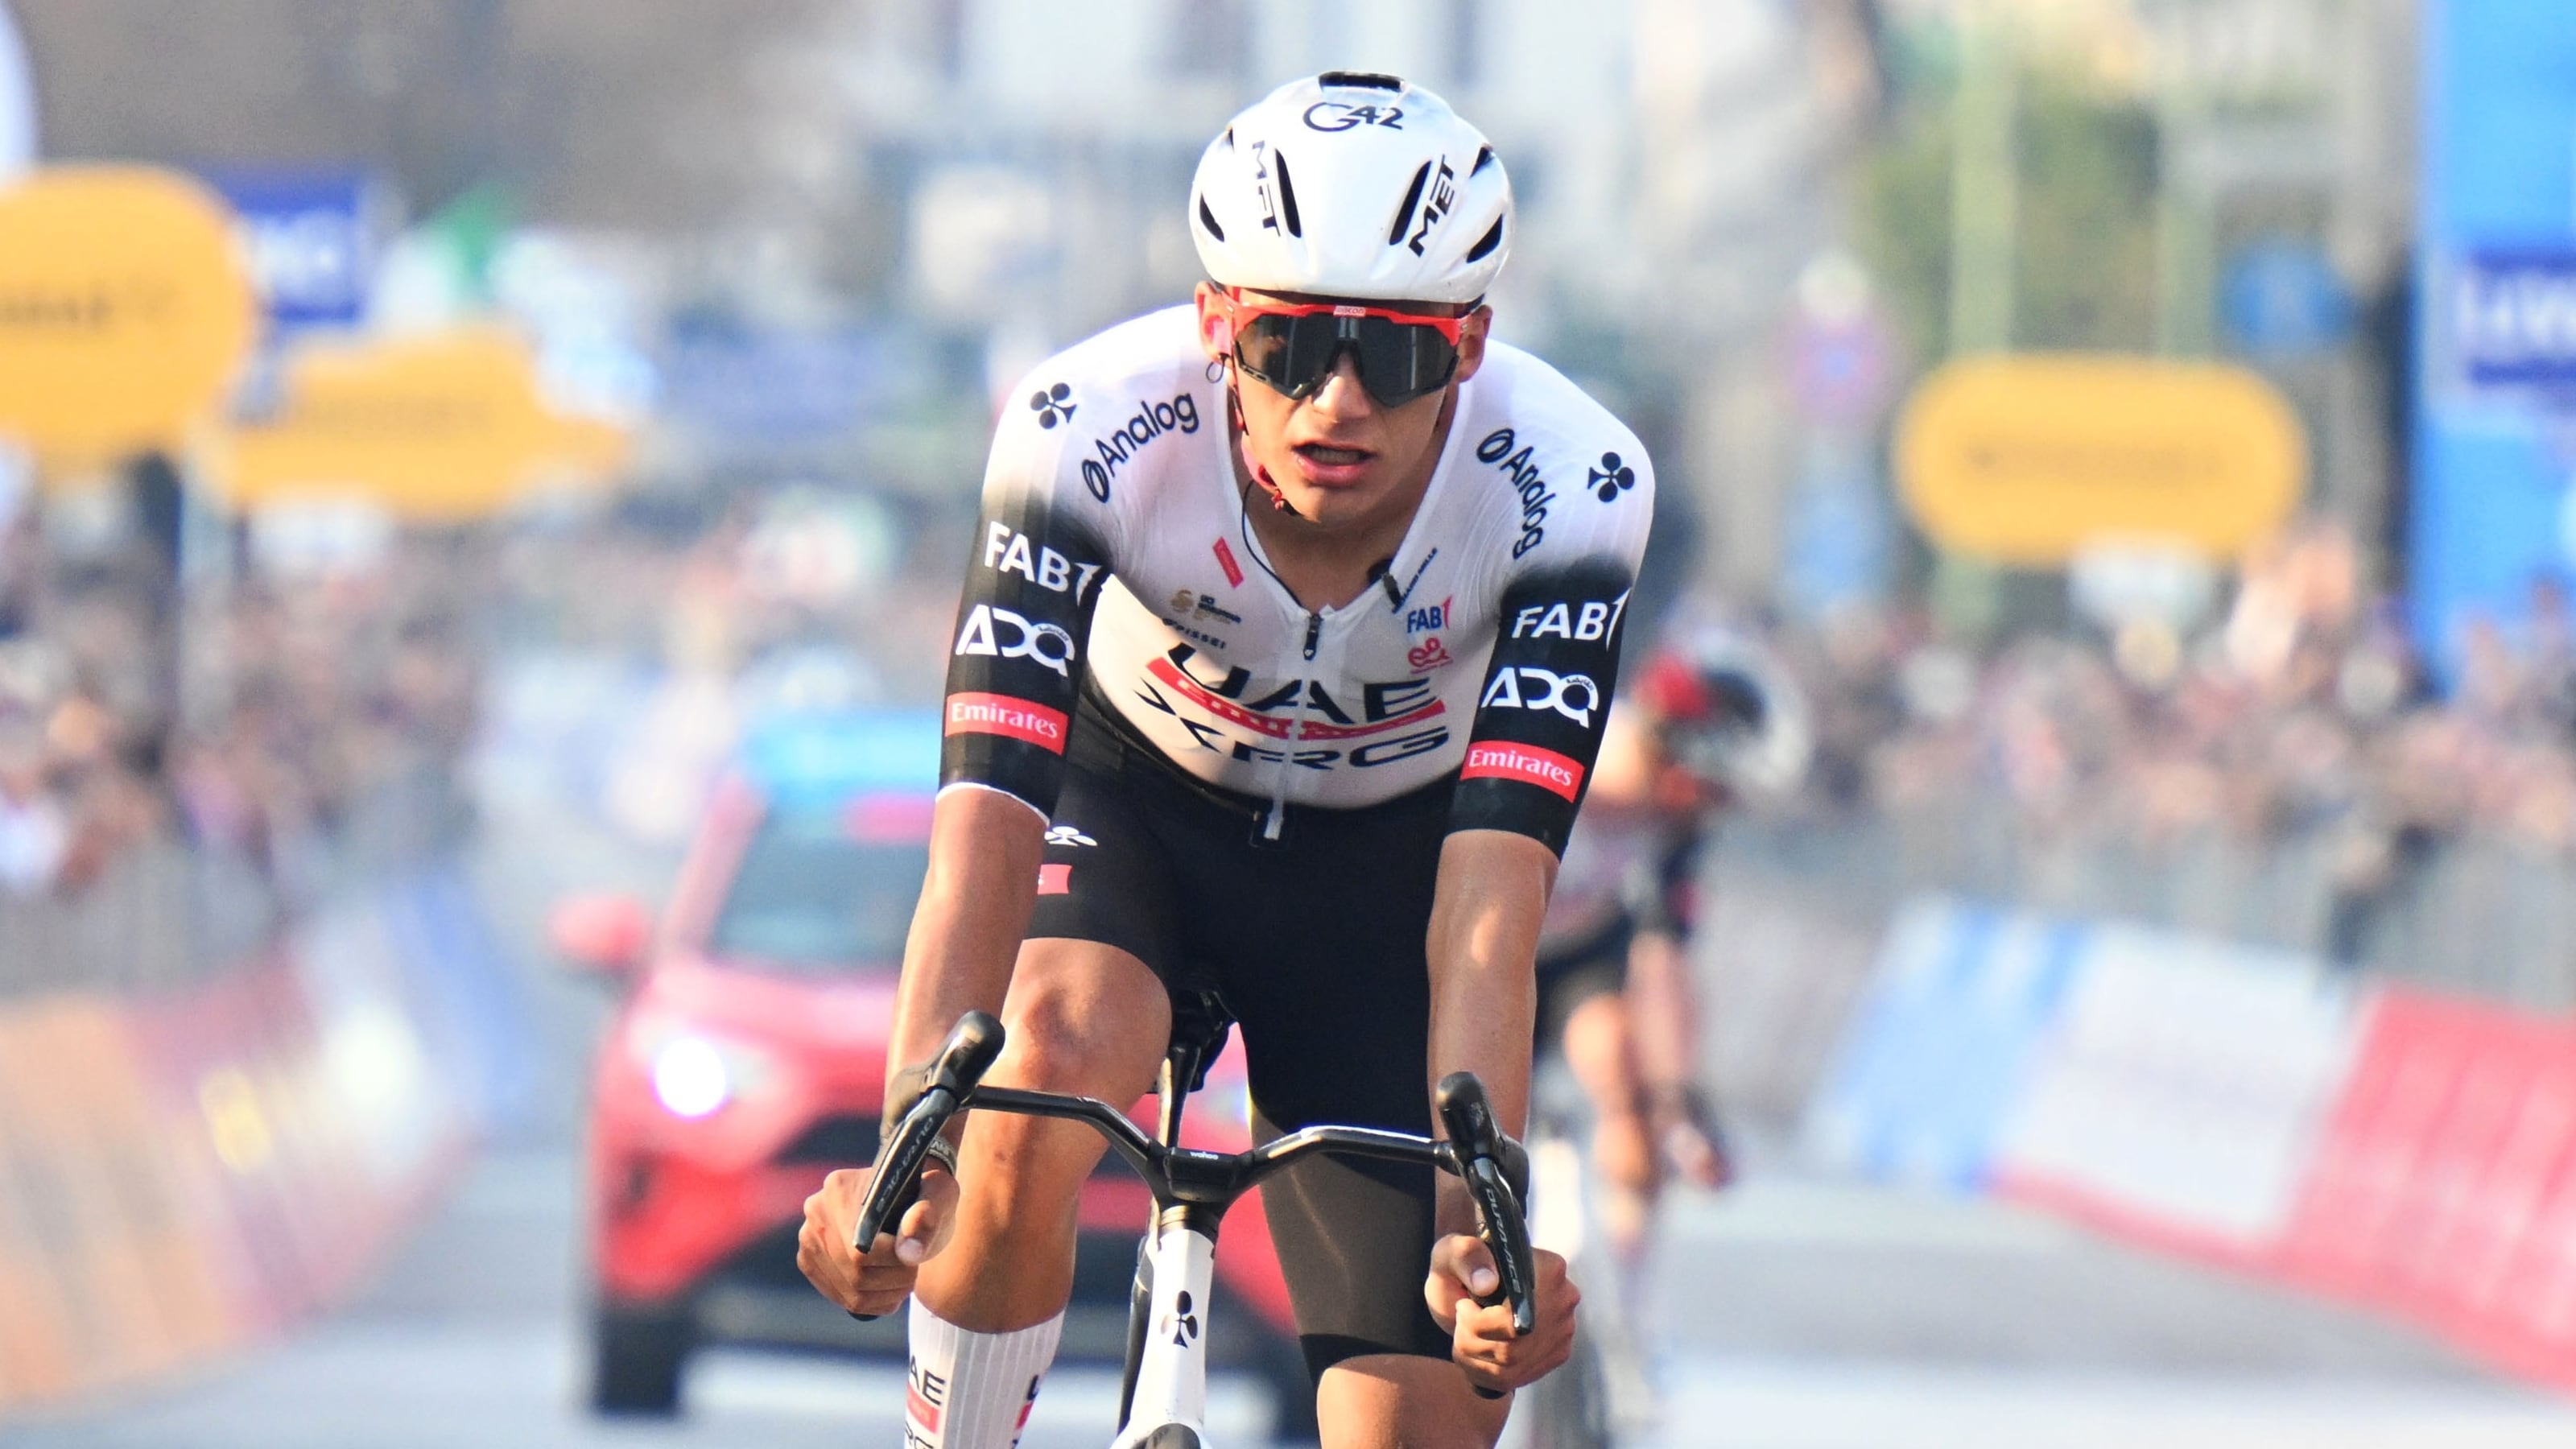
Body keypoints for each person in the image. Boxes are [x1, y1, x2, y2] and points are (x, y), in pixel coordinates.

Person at [795, 72, 1654, 1448]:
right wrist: (909, 1158)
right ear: (1215, 327)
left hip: (1389, 877)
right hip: (1133, 811)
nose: (1341, 400)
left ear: (1475, 346)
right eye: (1290, 345)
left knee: (1431, 1401)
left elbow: (1491, 916)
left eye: (1404, 355)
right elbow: (981, 843)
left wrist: (1475, 1242)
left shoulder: (1575, 489)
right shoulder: (1084, 434)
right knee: (1042, 1056)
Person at [1533, 628, 1804, 1265]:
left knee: (1621, 1065)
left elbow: (1665, 957)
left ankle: (1627, 1308)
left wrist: (1678, 1100)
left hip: (1578, 952)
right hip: (1484, 948)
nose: (1712, 810)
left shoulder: (1674, 820)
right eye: (1713, 790)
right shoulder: (1570, 756)